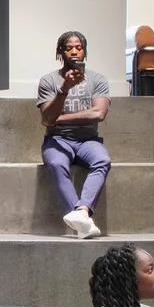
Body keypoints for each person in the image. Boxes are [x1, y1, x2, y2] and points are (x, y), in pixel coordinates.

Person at [36, 30, 111, 239]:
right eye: (69, 48)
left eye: (79, 48)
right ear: (61, 52)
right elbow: (48, 115)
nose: (75, 52)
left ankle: (82, 211)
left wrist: (59, 119)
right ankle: (83, 221)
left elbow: (99, 113)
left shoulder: (97, 79)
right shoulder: (49, 81)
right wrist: (64, 90)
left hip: (88, 140)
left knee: (102, 160)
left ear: (85, 51)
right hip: (57, 140)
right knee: (57, 164)